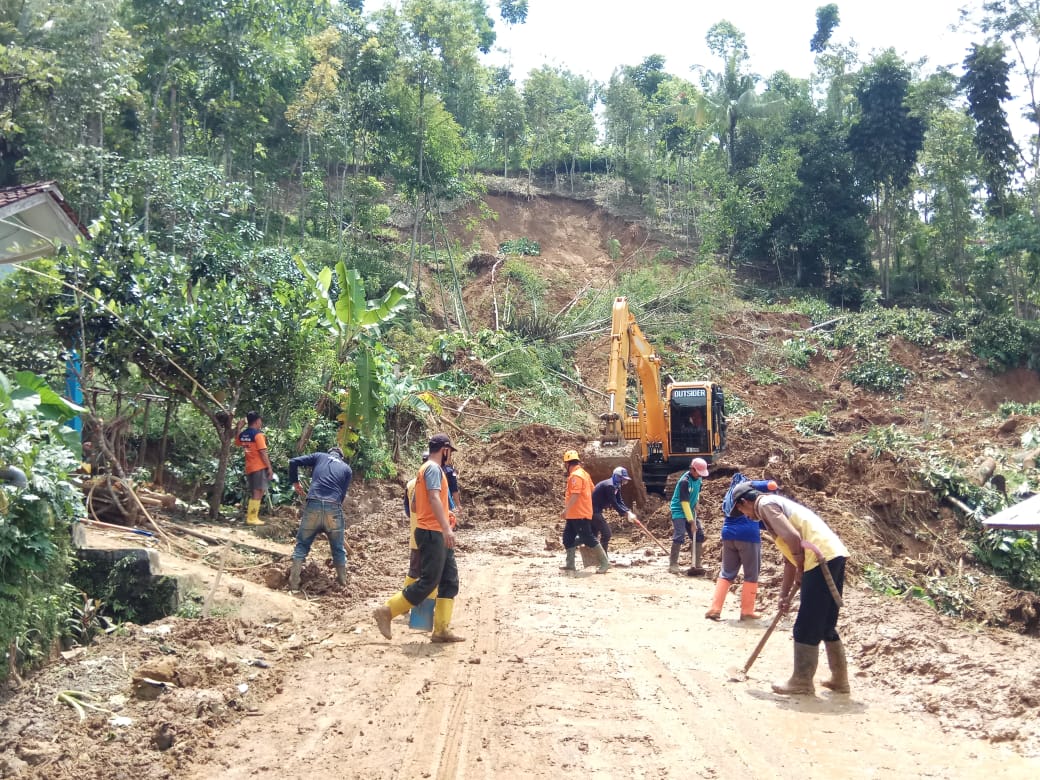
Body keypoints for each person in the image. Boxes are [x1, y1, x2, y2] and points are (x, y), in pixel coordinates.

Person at [731, 482, 851, 695]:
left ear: (744, 502)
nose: (745, 516)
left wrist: (800, 566)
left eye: (741, 510)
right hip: (833, 555)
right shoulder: (772, 508)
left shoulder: (765, 504)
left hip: (819, 559)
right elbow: (790, 559)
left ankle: (801, 681)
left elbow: (794, 540)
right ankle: (839, 680)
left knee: (806, 625)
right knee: (825, 623)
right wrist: (784, 594)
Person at [374, 433, 465, 643]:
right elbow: (433, 497)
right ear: (445, 450)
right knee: (429, 581)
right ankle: (387, 610)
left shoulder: (422, 472)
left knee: (449, 581)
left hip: (433, 530)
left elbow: (415, 505)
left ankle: (441, 630)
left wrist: (442, 515)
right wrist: (445, 527)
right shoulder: (433, 469)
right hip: (433, 532)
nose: (449, 456)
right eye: (449, 452)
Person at [705, 475, 778, 621]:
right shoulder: (748, 487)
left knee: (726, 572)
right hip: (748, 536)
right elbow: (771, 485)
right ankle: (747, 611)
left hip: (728, 534)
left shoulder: (729, 495)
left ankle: (715, 609)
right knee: (751, 574)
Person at [287, 446, 354, 589]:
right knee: (337, 548)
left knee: (302, 545)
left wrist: (295, 482)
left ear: (329, 453)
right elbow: (342, 496)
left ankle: (293, 583)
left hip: (314, 505)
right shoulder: (347, 469)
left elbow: (293, 462)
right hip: (333, 507)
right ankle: (343, 583)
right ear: (341, 457)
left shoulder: (319, 456)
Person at [560, 450, 609, 573]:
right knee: (567, 538)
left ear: (567, 464)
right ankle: (570, 564)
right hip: (574, 514)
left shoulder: (576, 476)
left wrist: (566, 510)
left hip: (578, 513)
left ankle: (605, 562)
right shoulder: (584, 474)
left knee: (588, 538)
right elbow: (593, 490)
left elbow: (575, 495)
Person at [668, 458, 709, 575]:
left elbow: (696, 493)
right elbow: (684, 503)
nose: (700, 475)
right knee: (680, 534)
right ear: (692, 469)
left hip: (690, 509)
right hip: (679, 510)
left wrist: (696, 502)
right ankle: (673, 564)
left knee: (699, 535)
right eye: (698, 473)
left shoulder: (699, 479)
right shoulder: (684, 482)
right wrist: (691, 522)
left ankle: (697, 563)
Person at [234, 412, 274, 526]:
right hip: (259, 466)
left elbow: (237, 442)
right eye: (260, 421)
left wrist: (239, 428)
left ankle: (253, 516)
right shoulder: (258, 435)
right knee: (258, 492)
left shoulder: (244, 434)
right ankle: (252, 518)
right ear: (257, 421)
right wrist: (269, 468)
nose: (261, 423)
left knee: (256, 492)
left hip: (250, 466)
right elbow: (263, 452)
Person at [591, 466, 637, 556]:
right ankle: (603, 558)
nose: (624, 482)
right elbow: (614, 503)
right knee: (606, 533)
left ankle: (597, 558)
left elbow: (620, 501)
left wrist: (628, 511)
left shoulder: (616, 486)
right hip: (592, 511)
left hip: (597, 510)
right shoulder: (610, 486)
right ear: (617, 477)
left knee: (592, 536)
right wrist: (625, 513)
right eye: (623, 479)